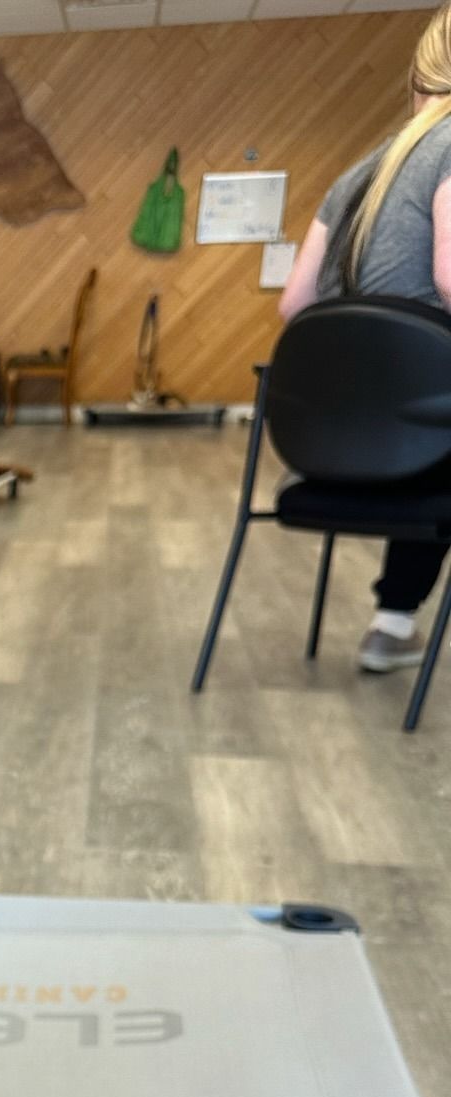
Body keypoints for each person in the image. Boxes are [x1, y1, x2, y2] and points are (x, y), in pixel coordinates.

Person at [280, 6, 451, 674]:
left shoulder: (358, 173)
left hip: (332, 446)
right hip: (425, 447)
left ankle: (393, 621)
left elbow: (296, 303)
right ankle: (392, 622)